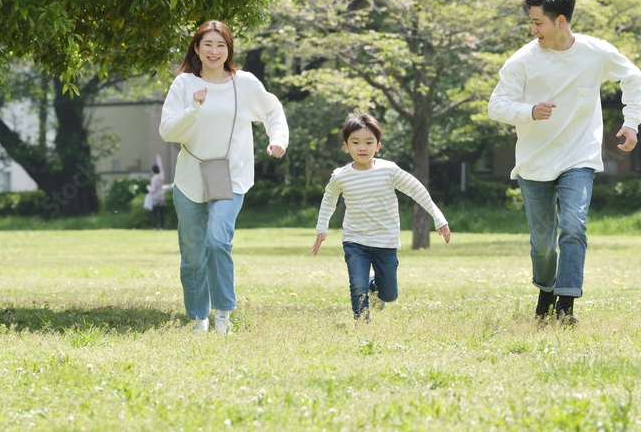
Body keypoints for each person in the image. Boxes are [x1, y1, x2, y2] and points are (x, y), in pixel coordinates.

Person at [488, 0, 641, 325]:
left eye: (538, 22)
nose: (533, 30)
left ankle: (566, 305)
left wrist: (631, 123)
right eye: (531, 22)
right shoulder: (523, 60)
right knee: (543, 243)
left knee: (574, 226)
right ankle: (546, 289)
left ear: (560, 21)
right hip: (535, 160)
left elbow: (632, 77)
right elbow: (496, 105)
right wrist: (529, 111)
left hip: (579, 156)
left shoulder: (595, 52)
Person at [160, 21, 289, 334]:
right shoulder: (184, 85)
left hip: (229, 174)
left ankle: (223, 316)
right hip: (191, 175)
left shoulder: (243, 84)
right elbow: (167, 131)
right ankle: (198, 317)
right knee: (192, 255)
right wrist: (194, 107)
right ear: (196, 48)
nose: (214, 51)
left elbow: (273, 112)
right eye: (207, 44)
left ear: (229, 49)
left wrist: (278, 139)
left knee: (218, 241)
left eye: (220, 44)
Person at [311, 113, 451, 321]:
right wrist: (321, 228)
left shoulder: (389, 170)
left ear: (377, 146)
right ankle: (362, 326)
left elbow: (417, 190)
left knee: (389, 294)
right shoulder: (341, 175)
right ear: (346, 146)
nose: (362, 148)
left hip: (385, 241)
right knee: (357, 285)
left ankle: (374, 286)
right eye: (355, 142)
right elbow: (329, 199)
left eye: (369, 142)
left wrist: (438, 217)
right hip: (355, 240)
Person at [146, 153, 166, 229]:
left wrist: (148, 187)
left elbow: (153, 190)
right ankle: (162, 226)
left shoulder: (154, 179)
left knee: (155, 213)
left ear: (153, 170)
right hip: (161, 196)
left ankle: (154, 226)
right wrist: (158, 156)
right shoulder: (161, 177)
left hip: (155, 197)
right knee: (161, 213)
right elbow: (161, 165)